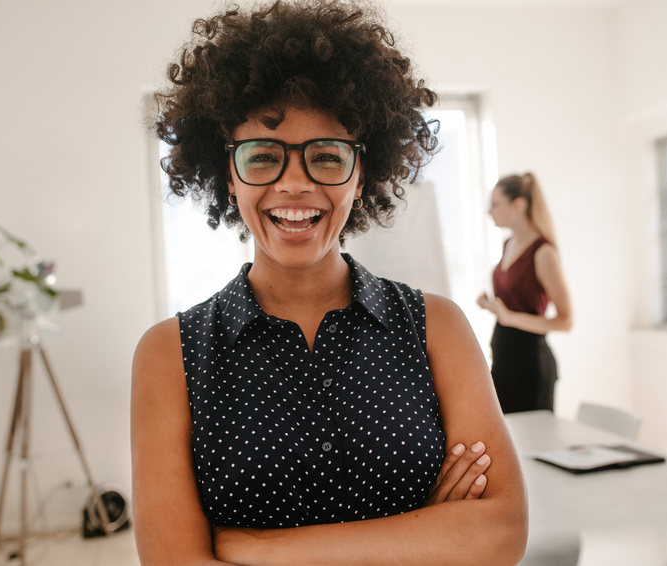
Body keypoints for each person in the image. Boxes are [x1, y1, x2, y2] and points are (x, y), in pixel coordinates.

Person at [131, 1, 527, 564]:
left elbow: (500, 533)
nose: (295, 185)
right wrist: (424, 536)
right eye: (264, 157)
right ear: (229, 175)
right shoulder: (169, 355)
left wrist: (261, 550)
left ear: (360, 173)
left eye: (326, 156)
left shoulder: (436, 327)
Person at [476, 173, 573, 414]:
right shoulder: (508, 244)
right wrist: (492, 306)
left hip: (530, 366)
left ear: (518, 204)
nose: (490, 212)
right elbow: (513, 305)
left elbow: (566, 321)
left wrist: (509, 317)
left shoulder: (543, 253)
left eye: (495, 205)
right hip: (504, 359)